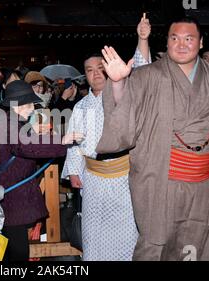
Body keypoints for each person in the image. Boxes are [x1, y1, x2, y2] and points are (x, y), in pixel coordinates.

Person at [96, 17, 209, 261]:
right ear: (166, 42)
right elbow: (125, 108)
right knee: (156, 242)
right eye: (174, 38)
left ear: (200, 43)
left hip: (204, 180)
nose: (181, 44)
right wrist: (117, 83)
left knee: (197, 238)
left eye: (189, 39)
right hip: (161, 179)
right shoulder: (148, 75)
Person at [61, 14, 152, 261]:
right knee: (93, 237)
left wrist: (142, 39)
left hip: (123, 179)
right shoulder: (80, 107)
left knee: (125, 238)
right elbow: (74, 143)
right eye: (89, 71)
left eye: (101, 69)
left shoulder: (124, 95)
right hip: (92, 180)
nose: (96, 74)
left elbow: (143, 72)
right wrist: (74, 171)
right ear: (85, 75)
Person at [0, 80, 81, 261]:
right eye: (30, 104)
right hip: (11, 197)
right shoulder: (9, 124)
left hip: (11, 195)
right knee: (17, 251)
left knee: (14, 248)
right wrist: (61, 141)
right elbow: (26, 147)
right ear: (18, 105)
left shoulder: (10, 122)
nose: (32, 108)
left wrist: (33, 130)